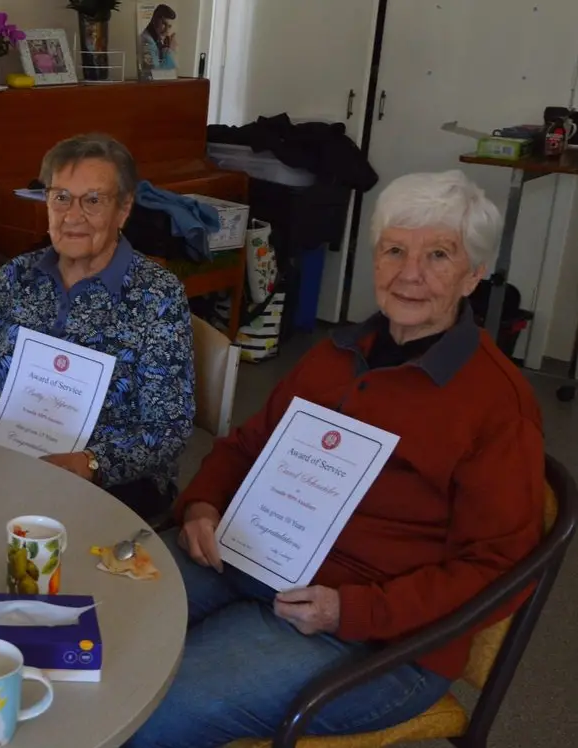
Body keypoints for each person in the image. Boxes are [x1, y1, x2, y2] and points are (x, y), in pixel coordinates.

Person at [127, 171, 545, 747]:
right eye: (394, 249)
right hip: (254, 559)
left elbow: (496, 569)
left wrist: (352, 611)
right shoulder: (336, 352)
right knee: (99, 624)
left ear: (474, 275)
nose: (410, 273)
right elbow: (250, 442)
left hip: (378, 639)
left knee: (150, 704)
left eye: (439, 255)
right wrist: (202, 503)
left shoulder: (497, 403)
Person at [0, 133, 195, 520]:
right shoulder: (15, 277)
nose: (72, 216)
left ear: (124, 209)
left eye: (93, 200)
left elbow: (168, 426)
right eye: (60, 197)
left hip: (107, 482)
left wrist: (90, 463)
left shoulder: (156, 296)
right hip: (1, 461)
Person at [139, 3, 178, 73]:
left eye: (169, 26)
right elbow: (156, 73)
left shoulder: (157, 40)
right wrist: (170, 51)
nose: (166, 30)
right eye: (164, 24)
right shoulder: (147, 40)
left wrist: (166, 49)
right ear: (154, 20)